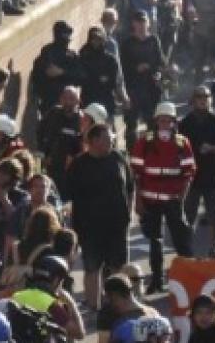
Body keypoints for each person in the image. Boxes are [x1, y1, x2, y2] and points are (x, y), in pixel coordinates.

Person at [131, 102, 195, 293]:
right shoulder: (145, 141)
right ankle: (157, 280)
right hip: (151, 200)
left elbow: (189, 172)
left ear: (174, 122)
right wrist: (138, 200)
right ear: (156, 121)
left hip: (173, 200)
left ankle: (189, 278)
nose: (165, 123)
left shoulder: (182, 143)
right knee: (154, 241)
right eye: (162, 120)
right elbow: (136, 173)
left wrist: (182, 198)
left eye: (169, 120)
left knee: (181, 241)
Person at [68, 123, 134, 311]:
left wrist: (129, 211)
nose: (110, 141)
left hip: (117, 225)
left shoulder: (118, 158)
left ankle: (118, 303)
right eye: (106, 139)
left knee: (118, 267)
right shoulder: (79, 165)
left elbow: (130, 187)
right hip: (90, 227)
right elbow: (71, 195)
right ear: (94, 141)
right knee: (92, 268)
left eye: (111, 138)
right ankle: (93, 306)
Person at [181, 85, 215, 253]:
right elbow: (178, 149)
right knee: (188, 216)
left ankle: (214, 249)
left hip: (213, 176)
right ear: (193, 100)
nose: (203, 100)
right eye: (199, 97)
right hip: (191, 178)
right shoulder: (185, 123)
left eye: (206, 96)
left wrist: (212, 148)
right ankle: (186, 250)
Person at [121, 9, 166, 148]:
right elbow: (121, 66)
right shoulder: (127, 43)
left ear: (148, 23)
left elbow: (161, 62)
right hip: (133, 88)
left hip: (151, 87)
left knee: (153, 123)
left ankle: (152, 151)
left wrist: (156, 71)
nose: (141, 25)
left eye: (144, 22)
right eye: (138, 22)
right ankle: (131, 152)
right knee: (131, 124)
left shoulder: (154, 40)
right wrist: (136, 68)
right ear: (133, 23)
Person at [10, 254, 75, 337]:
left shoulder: (16, 296)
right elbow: (78, 333)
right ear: (56, 281)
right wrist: (70, 302)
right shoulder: (53, 304)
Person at [29, 21, 84, 117]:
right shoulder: (47, 53)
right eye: (66, 35)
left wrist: (62, 72)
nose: (68, 38)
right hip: (50, 101)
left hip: (67, 103)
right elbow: (38, 76)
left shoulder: (71, 55)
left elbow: (80, 77)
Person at [39, 85, 82, 198]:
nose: (68, 101)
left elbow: (81, 143)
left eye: (71, 98)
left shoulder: (81, 120)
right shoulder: (53, 113)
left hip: (70, 168)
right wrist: (44, 153)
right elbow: (40, 131)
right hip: (51, 164)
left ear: (78, 100)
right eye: (65, 98)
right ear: (60, 99)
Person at [97, 273, 159, 341]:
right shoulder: (153, 312)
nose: (110, 303)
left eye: (110, 299)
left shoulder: (109, 315)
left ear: (114, 297)